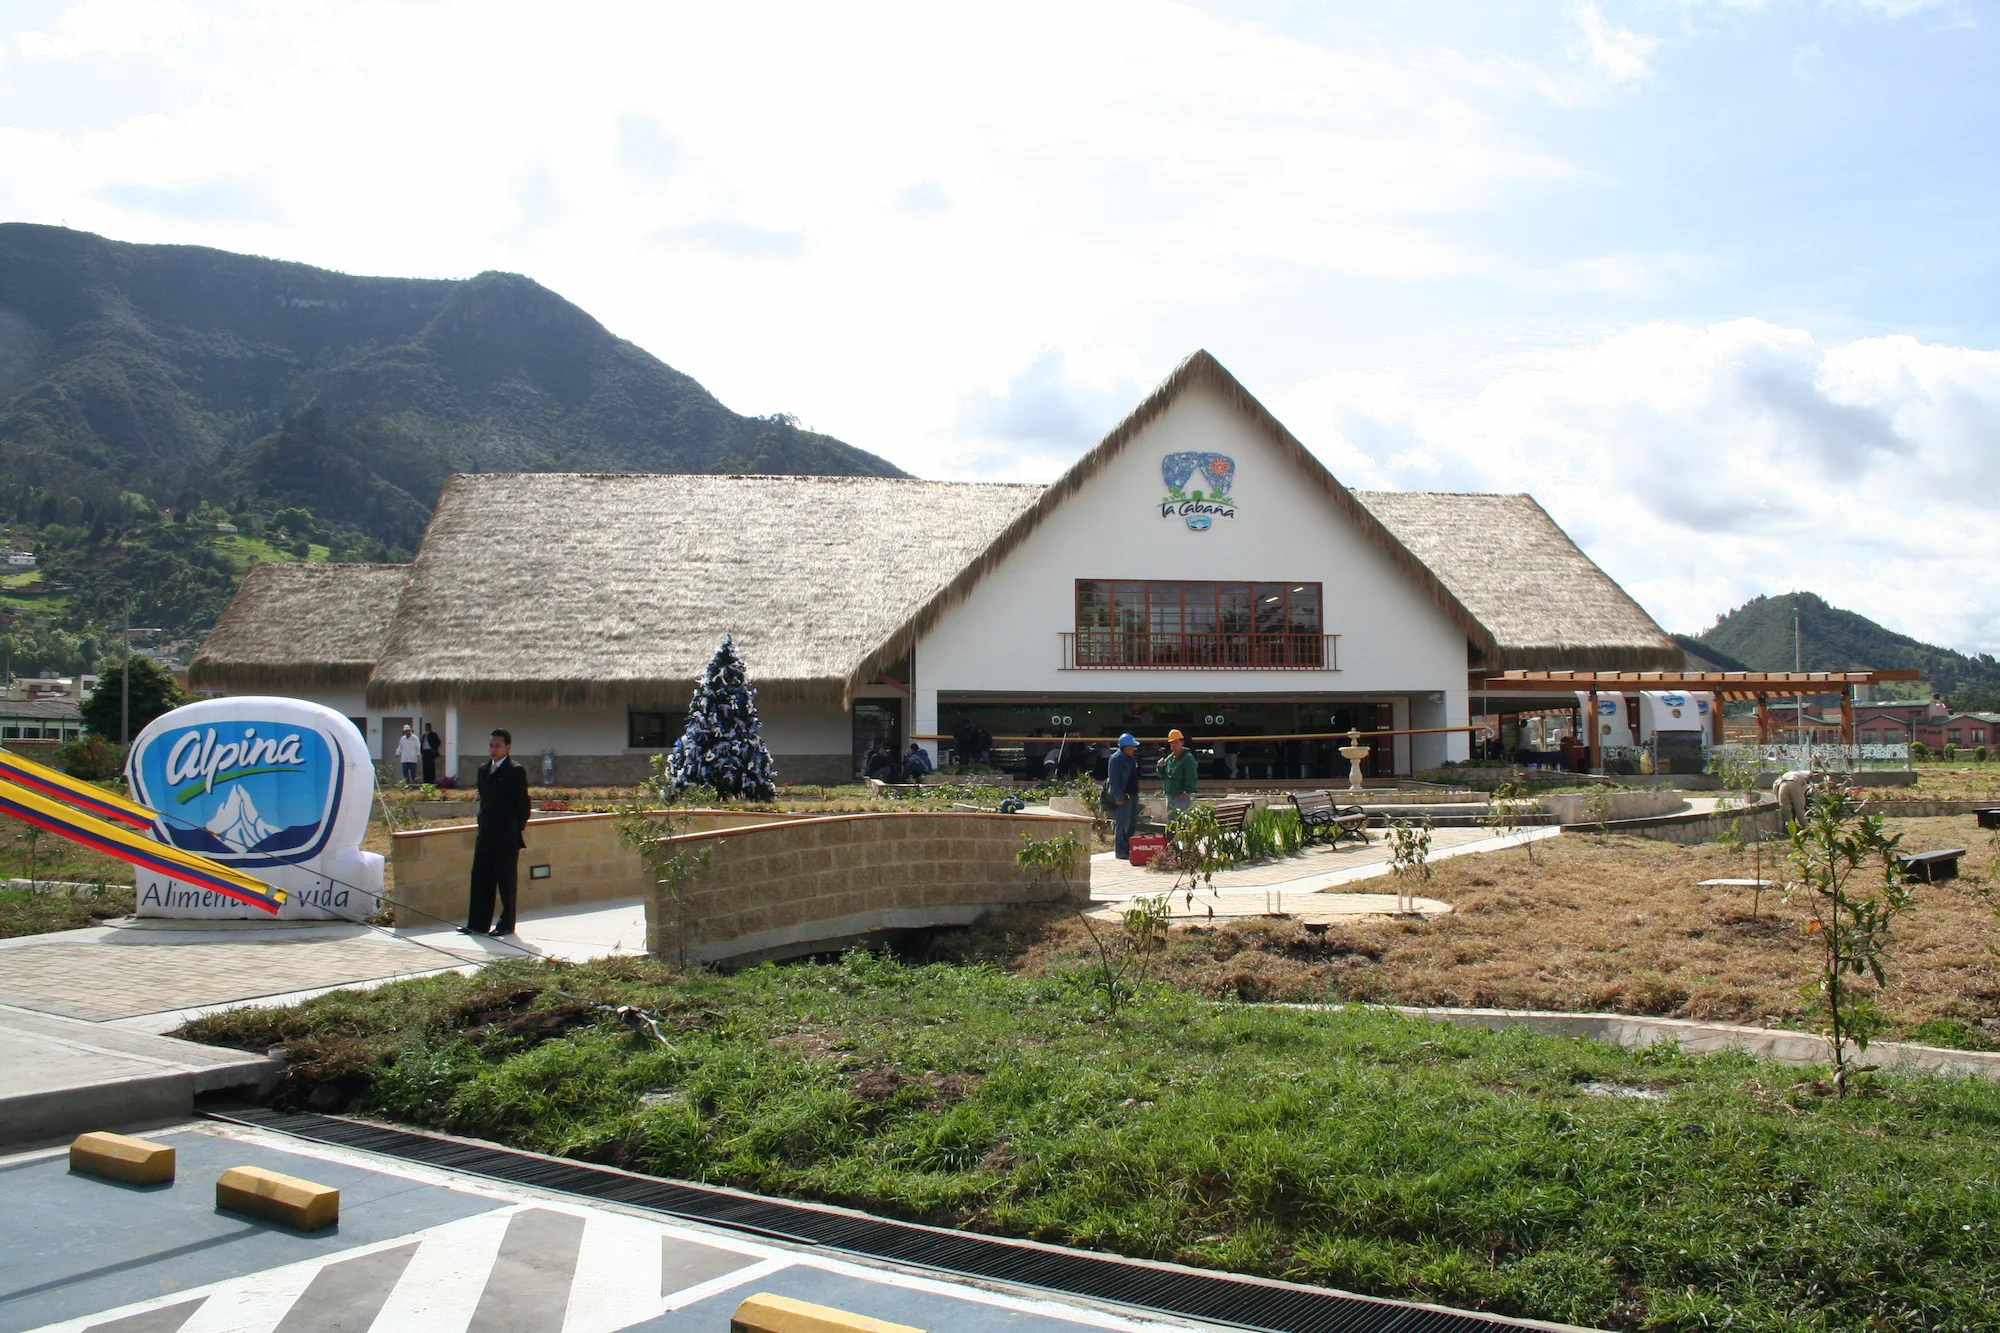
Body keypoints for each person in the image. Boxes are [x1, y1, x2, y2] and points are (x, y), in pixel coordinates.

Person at [461, 729, 531, 937]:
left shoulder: (515, 771)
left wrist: (514, 829)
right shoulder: (483, 769)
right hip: (486, 833)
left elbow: (523, 806)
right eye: (491, 745)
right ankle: (477, 923)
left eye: (498, 746)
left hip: (506, 836)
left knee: (506, 881)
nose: (494, 750)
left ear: (508, 747)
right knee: (481, 878)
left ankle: (506, 924)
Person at [1106, 732, 1142, 859]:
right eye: (1132, 746)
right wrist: (1118, 796)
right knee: (1122, 823)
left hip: (1132, 795)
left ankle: (1128, 849)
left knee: (1132, 823)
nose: (1134, 749)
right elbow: (1114, 779)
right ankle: (1120, 850)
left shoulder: (1131, 759)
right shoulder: (1116, 759)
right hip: (1123, 796)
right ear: (1125, 747)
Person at [1160, 728, 1198, 822]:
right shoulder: (1169, 758)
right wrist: (1160, 767)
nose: (1174, 745)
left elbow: (1192, 776)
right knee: (1171, 821)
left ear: (1182, 743)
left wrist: (1186, 791)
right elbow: (1163, 774)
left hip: (1181, 795)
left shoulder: (1188, 758)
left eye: (1176, 742)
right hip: (1170, 794)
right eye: (1172, 743)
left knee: (1182, 821)